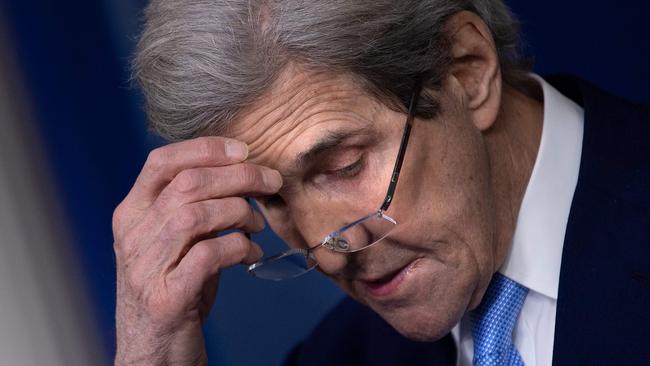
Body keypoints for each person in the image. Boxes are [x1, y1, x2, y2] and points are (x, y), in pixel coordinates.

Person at [113, 1, 650, 365]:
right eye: (272, 197)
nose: (328, 255)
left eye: (345, 166)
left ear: (468, 69)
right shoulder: (336, 358)